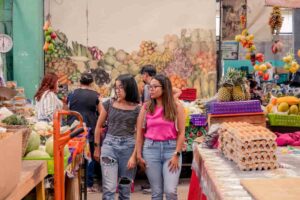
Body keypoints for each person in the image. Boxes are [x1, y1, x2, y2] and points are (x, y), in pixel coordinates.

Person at [136, 74, 185, 200]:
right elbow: (140, 132)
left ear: (164, 88)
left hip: (171, 150)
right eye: (149, 87)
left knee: (170, 191)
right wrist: (138, 154)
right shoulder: (146, 107)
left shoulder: (176, 106)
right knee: (156, 193)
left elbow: (181, 133)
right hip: (150, 150)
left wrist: (177, 154)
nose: (150, 89)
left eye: (154, 87)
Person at [94, 74, 140, 200]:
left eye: (121, 87)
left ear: (129, 88)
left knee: (125, 189)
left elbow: (139, 135)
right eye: (116, 87)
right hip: (109, 146)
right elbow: (98, 127)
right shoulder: (109, 103)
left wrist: (134, 156)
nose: (117, 90)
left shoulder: (138, 109)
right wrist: (97, 148)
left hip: (129, 148)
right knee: (109, 188)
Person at [67, 72, 101, 193]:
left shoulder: (72, 93)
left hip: (74, 128)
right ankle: (88, 185)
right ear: (91, 83)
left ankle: (71, 181)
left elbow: (67, 109)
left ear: (80, 82)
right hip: (89, 128)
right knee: (89, 156)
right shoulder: (95, 95)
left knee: (74, 154)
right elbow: (101, 112)